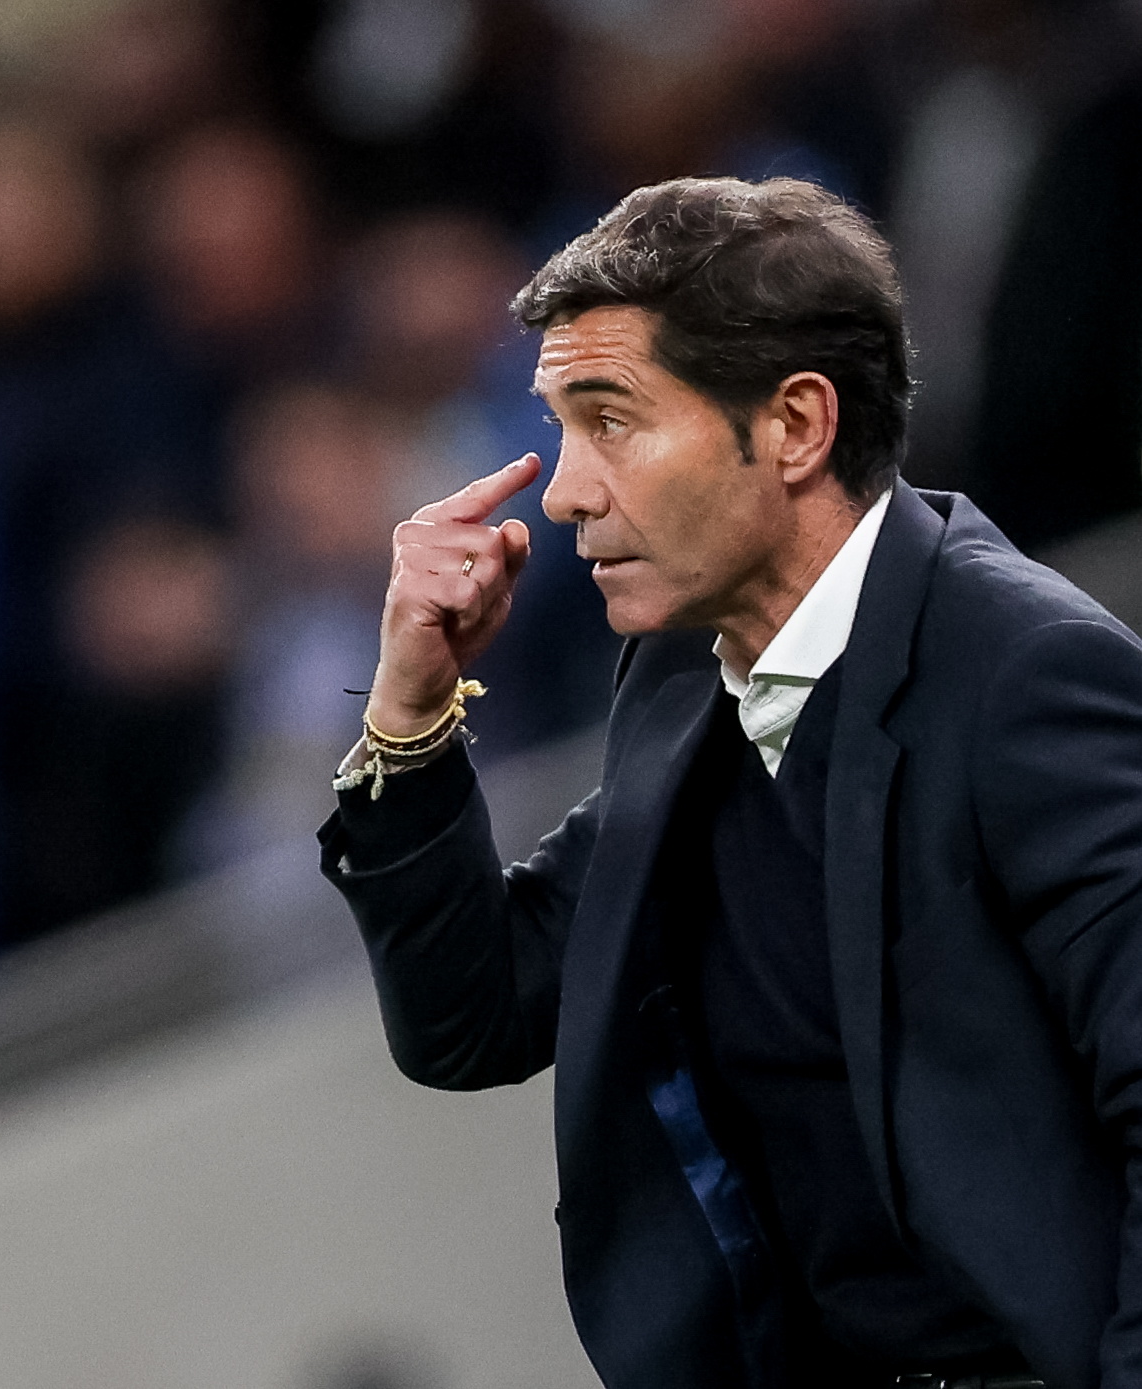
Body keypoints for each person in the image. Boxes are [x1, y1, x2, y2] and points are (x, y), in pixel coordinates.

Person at [318, 177, 1142, 1388]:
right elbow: (472, 1015)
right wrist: (408, 713)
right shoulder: (681, 673)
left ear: (796, 425)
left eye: (610, 421)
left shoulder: (1022, 672)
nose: (564, 491)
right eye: (559, 428)